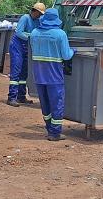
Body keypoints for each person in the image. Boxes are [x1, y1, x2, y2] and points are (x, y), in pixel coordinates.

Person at [29, 8, 74, 141]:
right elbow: (66, 55)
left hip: (39, 74)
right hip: (54, 75)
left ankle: (49, 128)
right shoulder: (60, 34)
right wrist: (73, 51)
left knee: (45, 103)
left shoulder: (34, 33)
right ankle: (55, 133)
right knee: (56, 104)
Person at [7, 2, 46, 106]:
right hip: (17, 46)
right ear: (35, 11)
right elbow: (19, 32)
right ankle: (11, 97)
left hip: (26, 47)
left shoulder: (37, 21)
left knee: (24, 73)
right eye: (39, 13)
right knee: (16, 71)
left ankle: (21, 96)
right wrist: (31, 37)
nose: (40, 16)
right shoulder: (25, 18)